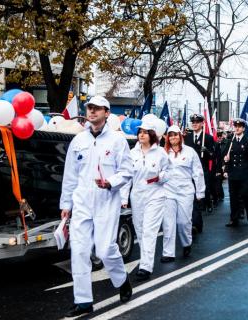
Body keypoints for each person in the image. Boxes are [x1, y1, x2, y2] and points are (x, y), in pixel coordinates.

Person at [59, 96, 133, 317]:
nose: (91, 112)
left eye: (97, 109)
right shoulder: (78, 141)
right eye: (89, 108)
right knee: (79, 251)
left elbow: (127, 171)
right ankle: (83, 301)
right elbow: (70, 176)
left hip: (106, 201)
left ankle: (122, 280)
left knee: (105, 249)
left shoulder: (117, 141)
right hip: (82, 202)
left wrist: (110, 182)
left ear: (106, 113)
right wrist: (66, 204)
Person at [121, 121, 170, 281]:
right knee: (140, 230)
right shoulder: (132, 153)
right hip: (137, 195)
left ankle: (145, 267)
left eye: (145, 132)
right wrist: (124, 197)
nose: (141, 134)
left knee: (149, 230)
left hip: (155, 194)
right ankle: (145, 261)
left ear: (152, 135)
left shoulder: (160, 152)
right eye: (139, 132)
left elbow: (169, 171)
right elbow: (127, 176)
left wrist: (161, 177)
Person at [161, 125, 205, 262]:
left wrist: (200, 192)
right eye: (170, 135)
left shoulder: (190, 152)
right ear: (167, 137)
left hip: (185, 190)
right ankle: (168, 253)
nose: (173, 137)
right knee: (168, 223)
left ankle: (186, 243)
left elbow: (198, 172)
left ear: (180, 136)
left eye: (176, 134)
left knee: (183, 222)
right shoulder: (163, 152)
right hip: (168, 190)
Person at [222, 119, 248, 226]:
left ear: (243, 128)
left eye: (239, 126)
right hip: (233, 173)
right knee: (233, 196)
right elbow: (226, 157)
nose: (237, 128)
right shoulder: (231, 141)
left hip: (244, 173)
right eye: (235, 126)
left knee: (244, 194)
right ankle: (234, 218)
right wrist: (225, 168)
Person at [184, 114, 215, 231]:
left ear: (202, 123)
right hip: (189, 171)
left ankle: (197, 223)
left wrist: (206, 151)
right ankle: (194, 223)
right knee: (190, 197)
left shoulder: (208, 138)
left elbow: (213, 156)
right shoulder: (187, 138)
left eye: (197, 122)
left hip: (202, 171)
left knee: (198, 197)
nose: (195, 124)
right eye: (193, 122)